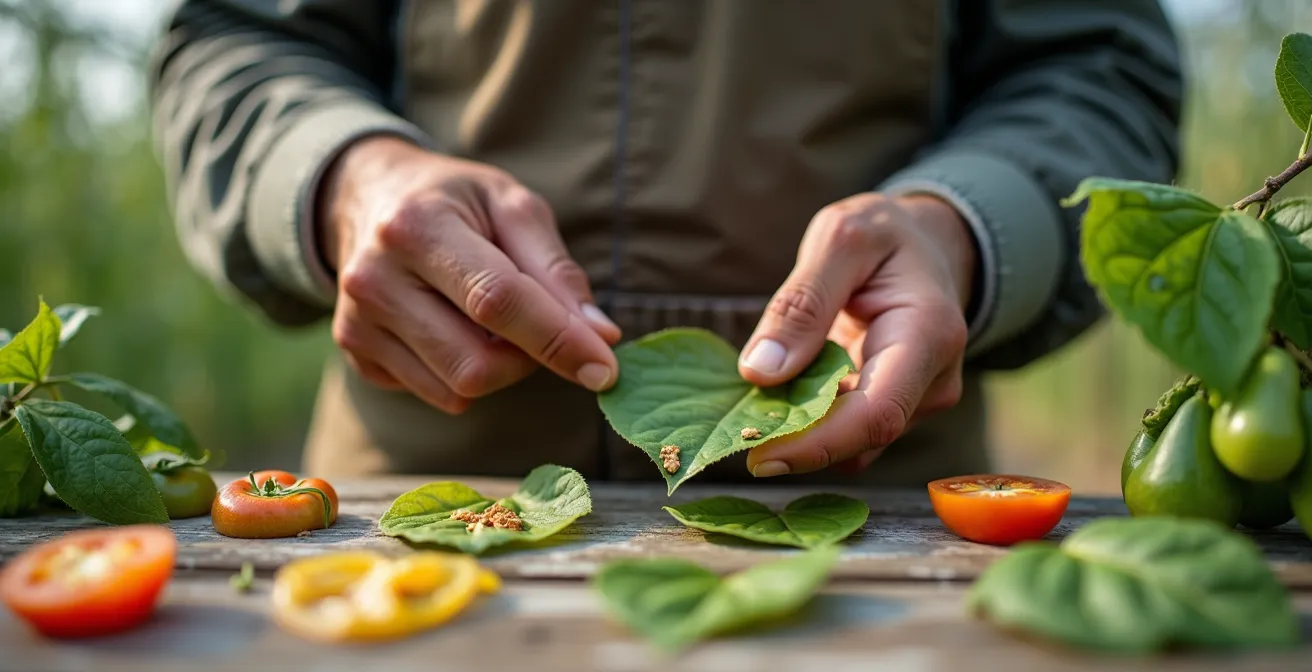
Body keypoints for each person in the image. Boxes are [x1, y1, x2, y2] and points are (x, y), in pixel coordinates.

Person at [149, 0, 1182, 486]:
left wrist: (963, 227)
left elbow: (1096, 69)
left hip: (875, 504)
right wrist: (344, 177)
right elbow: (240, 39)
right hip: (428, 496)